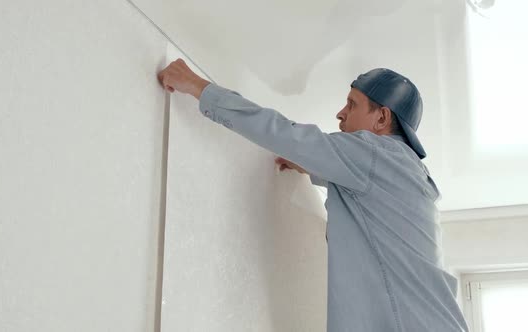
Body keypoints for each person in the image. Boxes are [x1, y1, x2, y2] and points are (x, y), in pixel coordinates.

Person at [157, 59, 469, 332]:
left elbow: (282, 131)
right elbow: (369, 199)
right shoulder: (405, 171)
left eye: (352, 104)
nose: (340, 114)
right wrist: (311, 165)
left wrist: (199, 87)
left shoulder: (375, 154)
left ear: (382, 119)